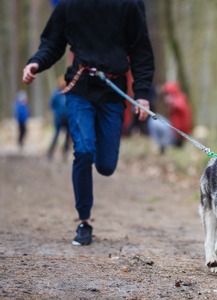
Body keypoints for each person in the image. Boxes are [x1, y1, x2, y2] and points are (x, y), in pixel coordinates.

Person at [22, 0, 155, 246]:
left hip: (113, 93)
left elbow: (141, 51)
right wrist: (37, 62)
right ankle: (84, 221)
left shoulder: (129, 5)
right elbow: (53, 41)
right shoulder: (70, 4)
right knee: (83, 150)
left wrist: (143, 94)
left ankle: (97, 155)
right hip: (80, 87)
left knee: (106, 165)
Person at [147, 81, 192, 154]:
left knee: (153, 121)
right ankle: (161, 144)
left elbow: (180, 106)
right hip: (176, 132)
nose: (165, 97)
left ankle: (160, 144)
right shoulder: (180, 98)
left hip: (177, 136)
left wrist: (172, 102)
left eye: (167, 94)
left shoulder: (179, 100)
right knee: (156, 117)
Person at [47, 77, 70, 161]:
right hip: (58, 120)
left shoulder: (69, 93)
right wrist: (56, 113)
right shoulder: (56, 94)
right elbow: (52, 105)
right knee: (56, 136)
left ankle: (65, 154)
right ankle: (50, 153)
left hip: (68, 119)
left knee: (67, 138)